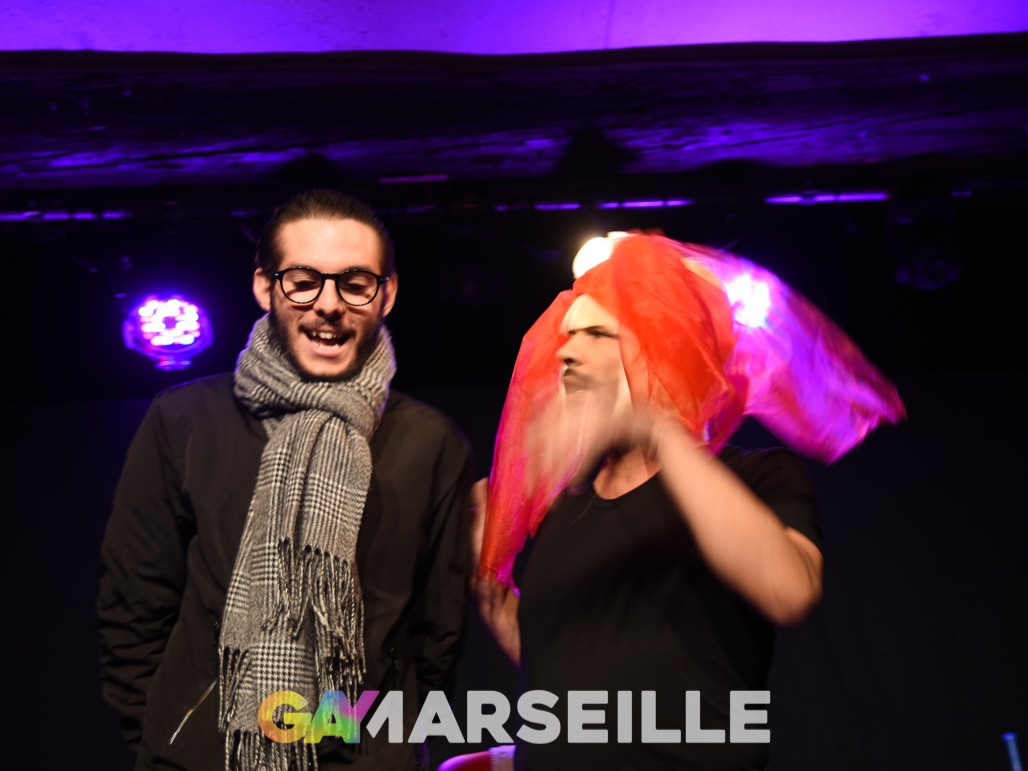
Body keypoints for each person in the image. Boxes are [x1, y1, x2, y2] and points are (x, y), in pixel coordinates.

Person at [465, 232, 903, 770]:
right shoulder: (566, 511)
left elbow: (789, 589)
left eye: (599, 334)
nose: (567, 352)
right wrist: (497, 601)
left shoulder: (757, 476)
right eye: (569, 335)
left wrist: (659, 428)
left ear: (669, 350)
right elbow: (569, 677)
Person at [98, 189, 474, 770]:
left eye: (355, 283)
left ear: (387, 294)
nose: (329, 304)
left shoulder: (431, 443)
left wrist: (384, 746)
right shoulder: (184, 420)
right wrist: (169, 741)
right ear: (265, 287)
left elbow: (436, 633)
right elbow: (133, 606)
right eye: (304, 281)